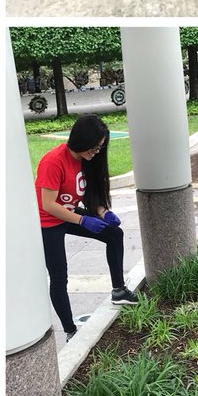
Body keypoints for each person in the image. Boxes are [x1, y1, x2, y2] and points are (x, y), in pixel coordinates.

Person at [35, 115, 137, 342]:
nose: (97, 151)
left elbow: (90, 197)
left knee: (114, 234)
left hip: (69, 213)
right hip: (48, 222)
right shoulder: (53, 161)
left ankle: (119, 290)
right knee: (59, 276)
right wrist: (82, 220)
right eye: (95, 146)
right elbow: (48, 204)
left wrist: (103, 213)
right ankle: (71, 330)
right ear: (82, 139)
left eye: (101, 147)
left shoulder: (87, 161)